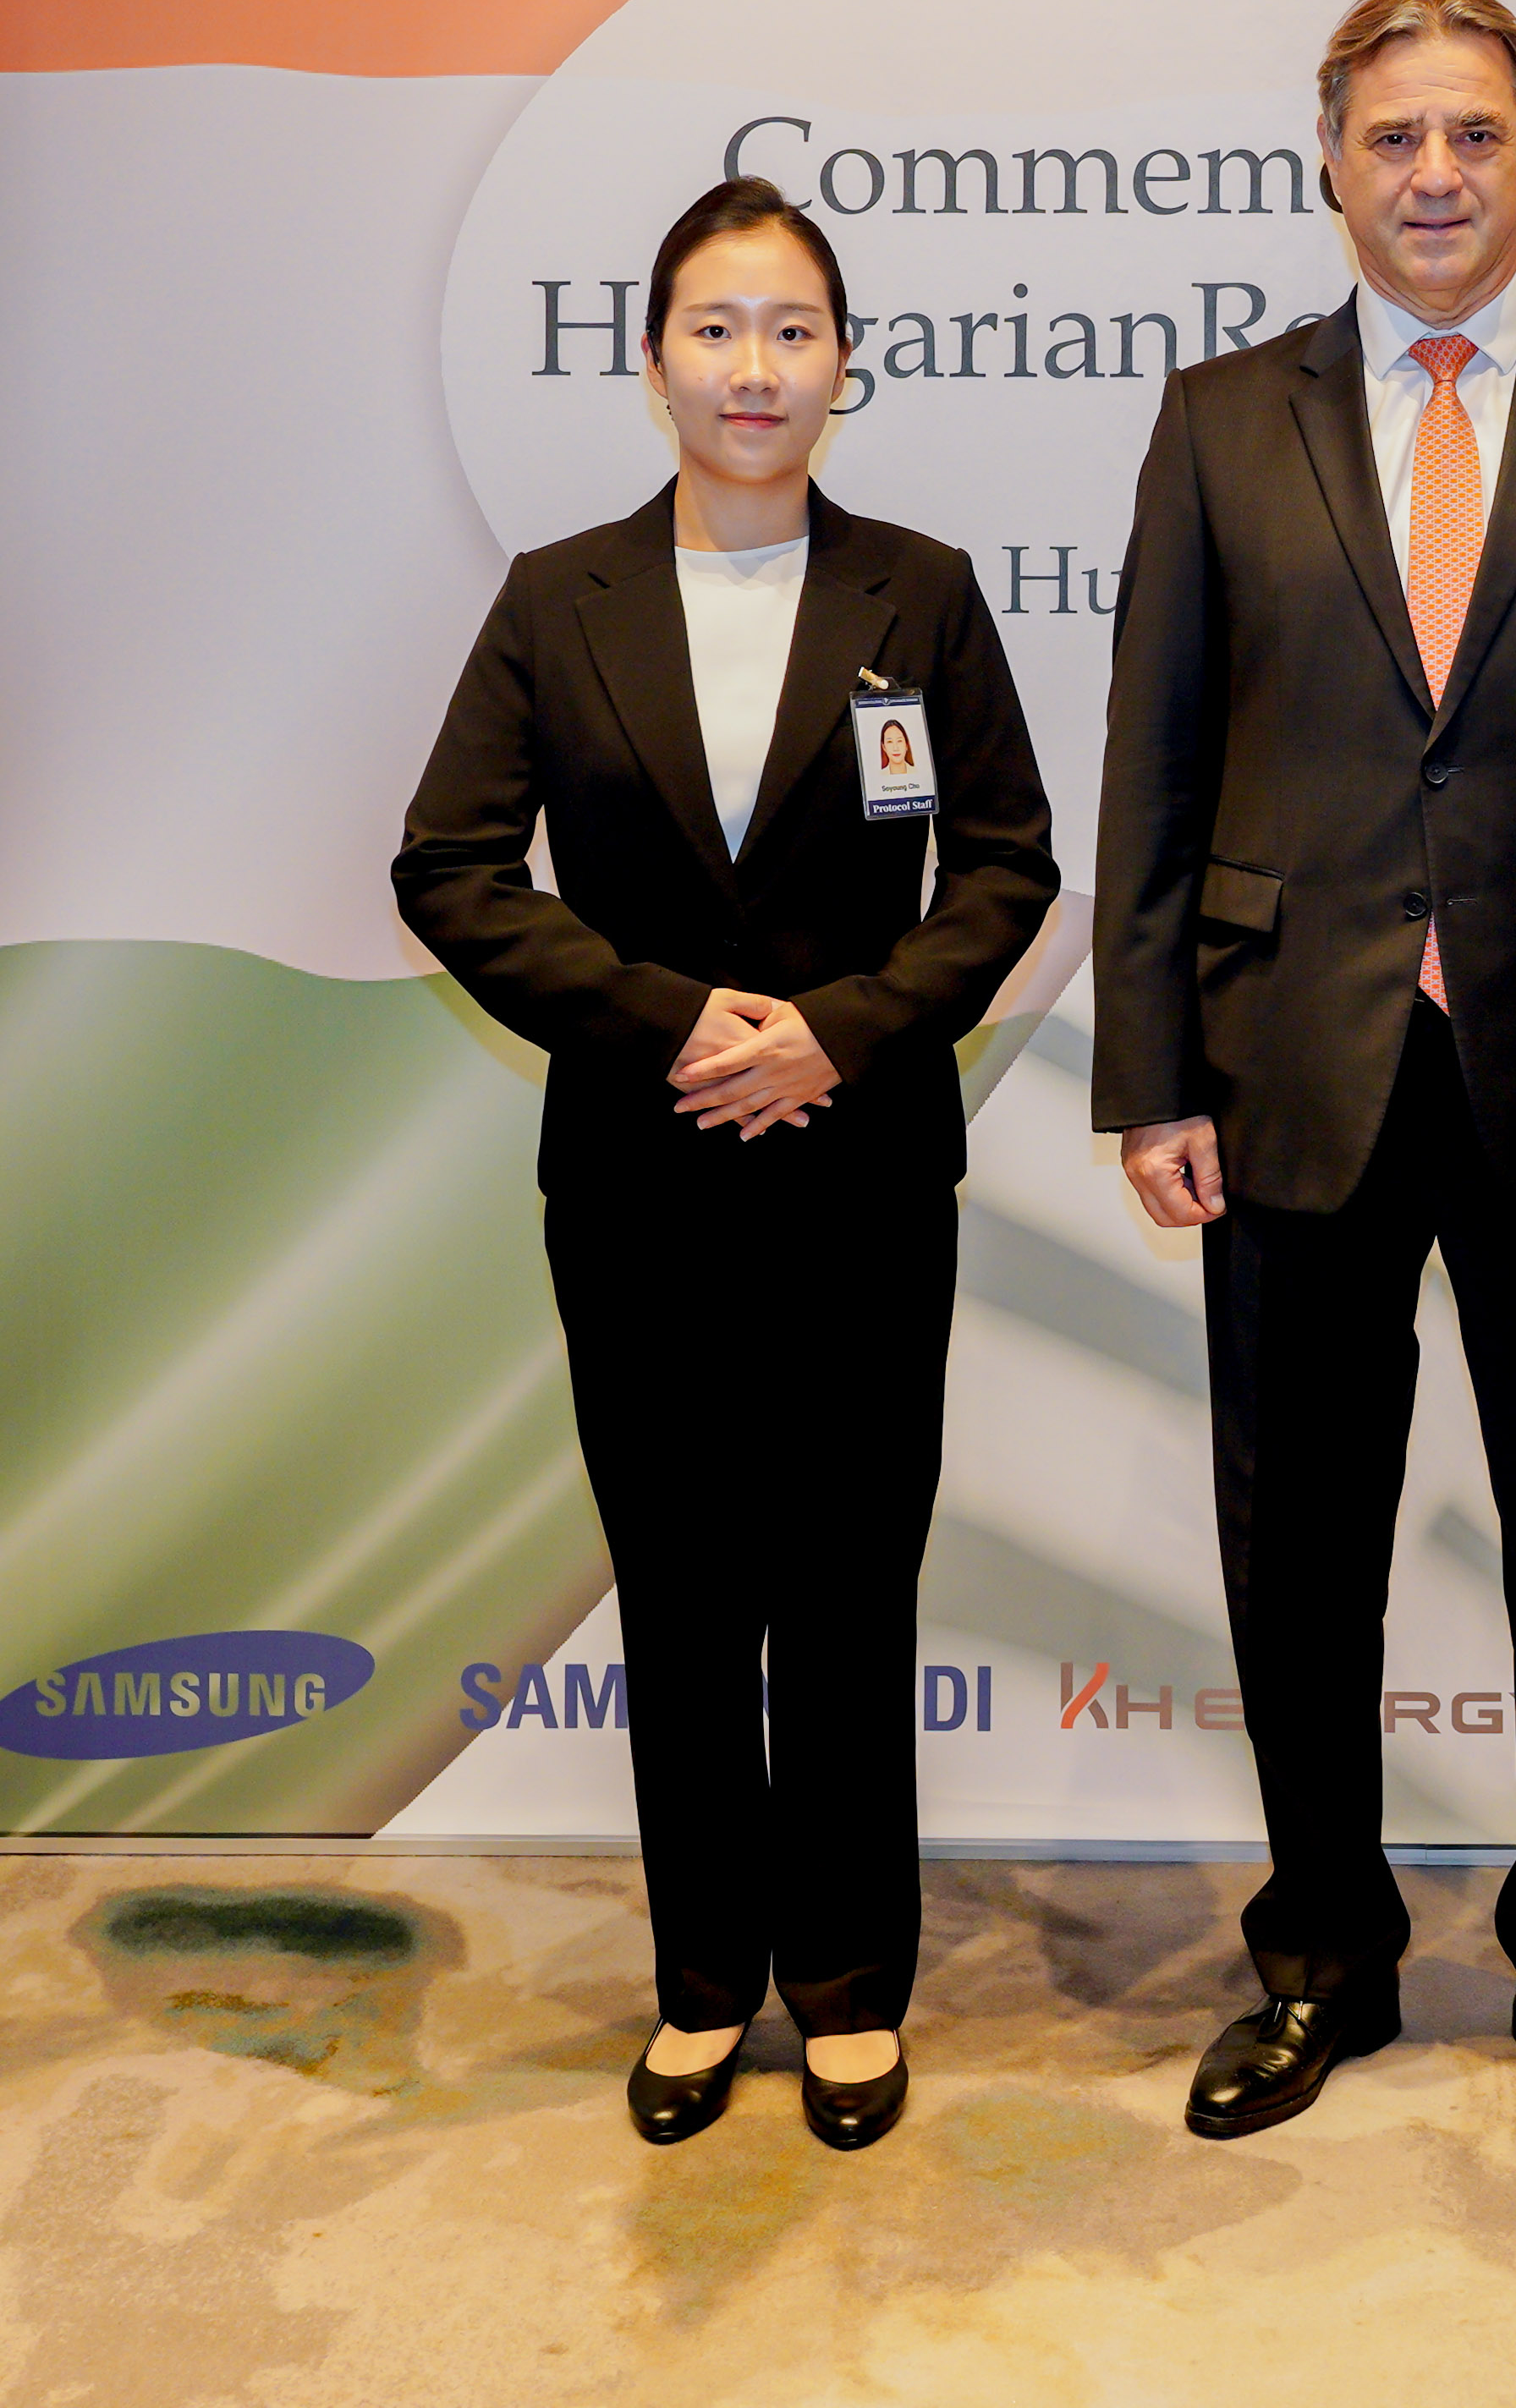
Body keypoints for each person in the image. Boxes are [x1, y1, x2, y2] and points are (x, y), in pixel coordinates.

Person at [1096, 0, 1516, 2156]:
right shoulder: (1222, 419)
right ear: (1331, 156)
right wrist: (1148, 1071)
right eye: (1395, 134)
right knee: (1300, 1541)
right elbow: (1154, 763)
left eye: (1474, 131)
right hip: (1287, 1063)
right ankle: (1322, 1954)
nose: (1435, 173)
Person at [396, 177, 1057, 2154]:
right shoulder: (560, 596)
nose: (753, 365)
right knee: (682, 1594)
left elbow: (1006, 862)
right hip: (644, 1172)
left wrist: (843, 1028)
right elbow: (448, 864)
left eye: (791, 328)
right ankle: (702, 1981)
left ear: (844, 363)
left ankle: (847, 1983)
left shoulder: (920, 591)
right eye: (715, 326)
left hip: (863, 1171)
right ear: (653, 360)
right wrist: (669, 1020)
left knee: (848, 1588)